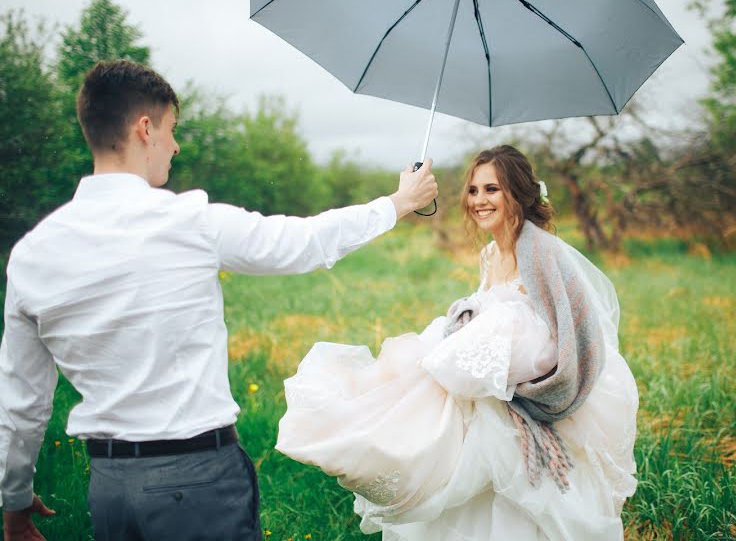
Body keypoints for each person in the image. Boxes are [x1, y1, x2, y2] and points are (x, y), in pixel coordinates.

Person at [0, 59, 438, 541]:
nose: (176, 144)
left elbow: (22, 402)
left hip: (108, 488)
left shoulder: (32, 255)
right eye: (171, 129)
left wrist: (14, 500)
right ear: (144, 128)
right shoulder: (191, 222)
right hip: (198, 482)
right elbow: (304, 241)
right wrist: (399, 202)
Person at [276, 145, 639, 540]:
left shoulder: (542, 253)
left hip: (520, 394)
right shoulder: (490, 254)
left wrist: (490, 360)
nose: (480, 201)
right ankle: (347, 431)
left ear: (518, 193)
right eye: (473, 190)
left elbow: (563, 338)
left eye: (492, 190)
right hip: (486, 390)